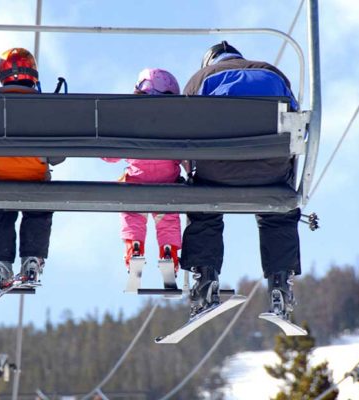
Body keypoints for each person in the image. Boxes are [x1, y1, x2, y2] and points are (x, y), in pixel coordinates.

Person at [181, 41, 301, 320]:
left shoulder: (201, 80)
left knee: (203, 210)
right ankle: (280, 285)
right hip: (271, 169)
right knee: (278, 212)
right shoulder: (273, 74)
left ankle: (205, 283)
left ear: (209, 61)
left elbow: (184, 133)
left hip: (217, 171)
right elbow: (298, 126)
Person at [0, 48, 64, 289]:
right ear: (34, 74)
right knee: (38, 210)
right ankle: (32, 259)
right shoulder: (45, 108)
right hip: (34, 179)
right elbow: (58, 157)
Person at [103, 68, 183, 273]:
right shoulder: (176, 124)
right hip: (168, 184)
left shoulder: (131, 122)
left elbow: (109, 157)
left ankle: (134, 247)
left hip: (136, 183)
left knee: (132, 213)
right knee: (168, 218)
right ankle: (169, 252)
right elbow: (188, 156)